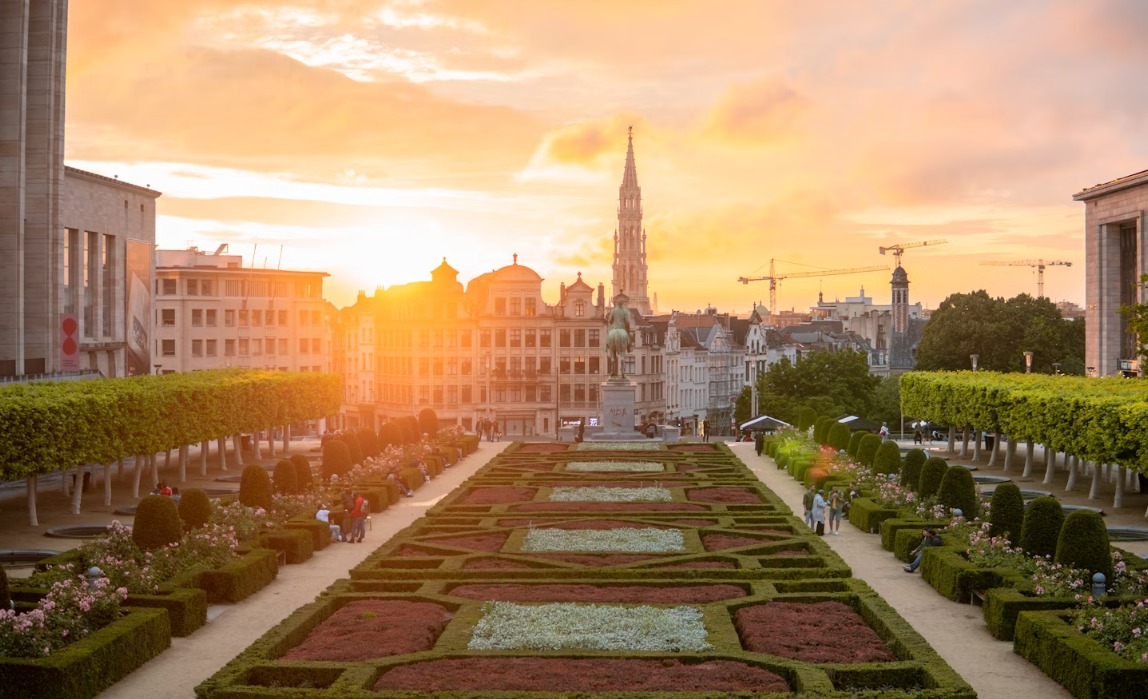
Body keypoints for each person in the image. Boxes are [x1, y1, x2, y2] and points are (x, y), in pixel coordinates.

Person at [605, 292, 635, 378]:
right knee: (623, 353)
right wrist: (628, 331)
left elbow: (609, 321)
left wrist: (612, 324)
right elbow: (627, 322)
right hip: (622, 329)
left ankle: (607, 345)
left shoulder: (613, 311)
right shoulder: (625, 311)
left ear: (616, 303)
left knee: (612, 353)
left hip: (614, 329)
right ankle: (629, 348)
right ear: (624, 304)